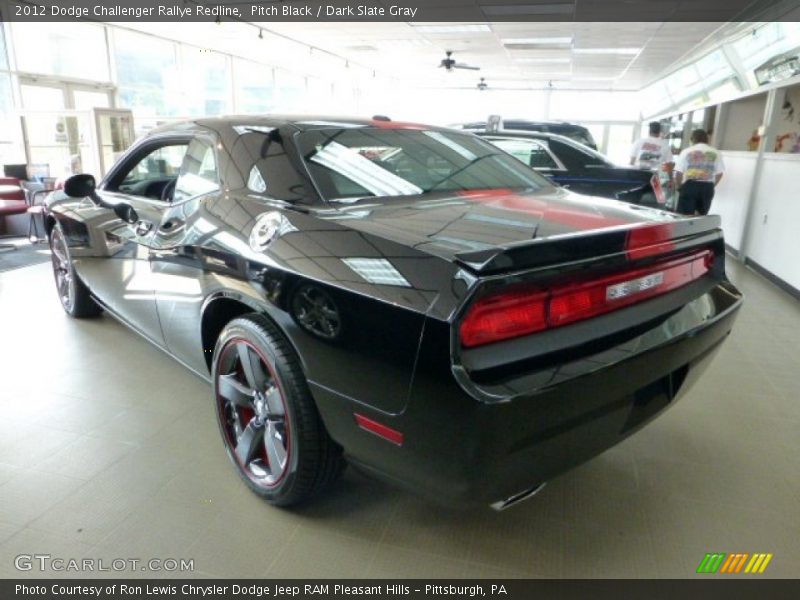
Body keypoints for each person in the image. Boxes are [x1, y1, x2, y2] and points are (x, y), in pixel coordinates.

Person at [674, 129, 724, 216]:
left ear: (692, 139)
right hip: (707, 187)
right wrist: (712, 185)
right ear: (707, 139)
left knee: (684, 216)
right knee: (701, 217)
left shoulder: (686, 151)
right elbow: (719, 174)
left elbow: (678, 173)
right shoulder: (716, 152)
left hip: (690, 186)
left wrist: (679, 187)